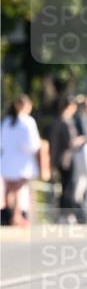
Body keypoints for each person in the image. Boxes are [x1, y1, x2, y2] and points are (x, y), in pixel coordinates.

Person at [1, 94, 41, 226]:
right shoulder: (28, 121)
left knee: (9, 190)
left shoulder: (7, 121)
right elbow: (33, 144)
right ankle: (16, 215)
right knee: (19, 190)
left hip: (7, 161)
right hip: (22, 162)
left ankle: (8, 214)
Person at [49, 95, 84, 216]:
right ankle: (65, 214)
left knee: (64, 187)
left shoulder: (57, 120)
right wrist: (84, 138)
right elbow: (70, 142)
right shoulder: (65, 121)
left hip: (60, 159)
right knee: (68, 188)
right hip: (66, 159)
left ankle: (63, 214)